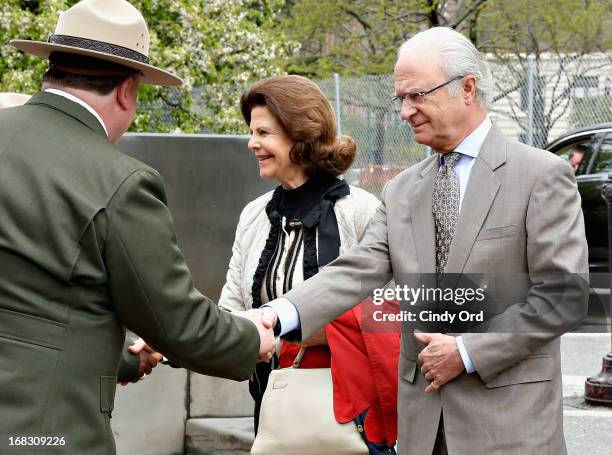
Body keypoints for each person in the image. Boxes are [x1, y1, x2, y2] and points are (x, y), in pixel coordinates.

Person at [261, 27, 589, 454]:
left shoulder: (540, 176)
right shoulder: (403, 190)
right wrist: (275, 315)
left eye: (417, 95)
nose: (405, 111)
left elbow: (562, 296)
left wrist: (468, 351)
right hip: (421, 430)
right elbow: (357, 269)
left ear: (467, 89)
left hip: (511, 429)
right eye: (401, 99)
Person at [0, 1, 273, 454]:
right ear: (128, 90)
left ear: (52, 67)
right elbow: (181, 327)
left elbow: (35, 310)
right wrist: (254, 337)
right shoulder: (120, 181)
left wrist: (127, 356)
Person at [218, 75, 399, 452]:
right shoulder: (254, 216)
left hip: (353, 418)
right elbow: (232, 306)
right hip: (275, 410)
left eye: (264, 132)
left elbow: (391, 312)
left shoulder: (363, 211)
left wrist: (284, 330)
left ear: (300, 134)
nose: (252, 143)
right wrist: (172, 345)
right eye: (252, 132)